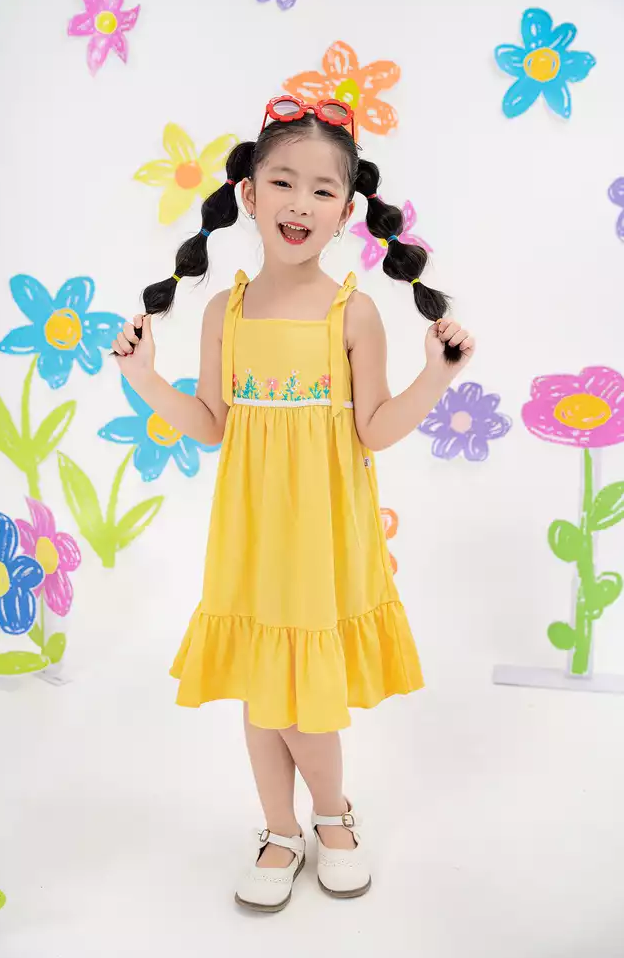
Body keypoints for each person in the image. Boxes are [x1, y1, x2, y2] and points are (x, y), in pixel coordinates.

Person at [111, 95, 475, 913]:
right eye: (282, 182)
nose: (299, 202)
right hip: (249, 530)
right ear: (247, 193)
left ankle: (333, 815)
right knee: (260, 681)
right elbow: (210, 424)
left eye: (321, 189)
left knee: (299, 689)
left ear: (346, 212)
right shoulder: (225, 310)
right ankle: (280, 829)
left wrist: (436, 375)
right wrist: (143, 378)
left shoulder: (354, 311)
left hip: (323, 530)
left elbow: (375, 429)